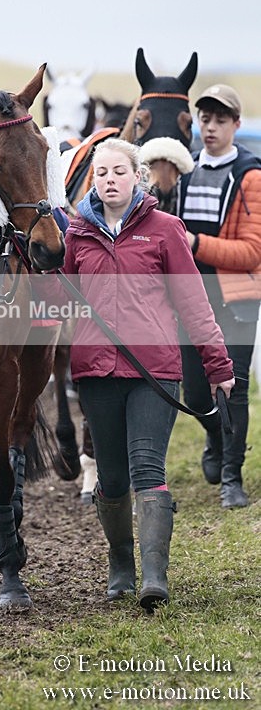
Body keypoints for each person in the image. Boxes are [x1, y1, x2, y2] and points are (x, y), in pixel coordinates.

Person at [38, 138, 234, 611]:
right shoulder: (77, 235)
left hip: (154, 372)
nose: (109, 180)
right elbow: (57, 302)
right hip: (96, 372)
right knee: (110, 475)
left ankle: (154, 576)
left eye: (118, 172)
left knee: (148, 468)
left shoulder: (165, 230)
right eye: (101, 173)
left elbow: (193, 303)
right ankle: (121, 566)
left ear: (137, 177)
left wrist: (218, 364)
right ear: (93, 182)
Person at [178, 85, 261, 509]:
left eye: (221, 121)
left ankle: (232, 478)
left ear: (236, 125)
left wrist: (194, 244)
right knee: (195, 393)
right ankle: (216, 438)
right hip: (191, 299)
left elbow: (252, 251)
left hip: (238, 297)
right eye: (205, 120)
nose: (211, 128)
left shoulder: (251, 175)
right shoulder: (183, 170)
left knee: (235, 388)